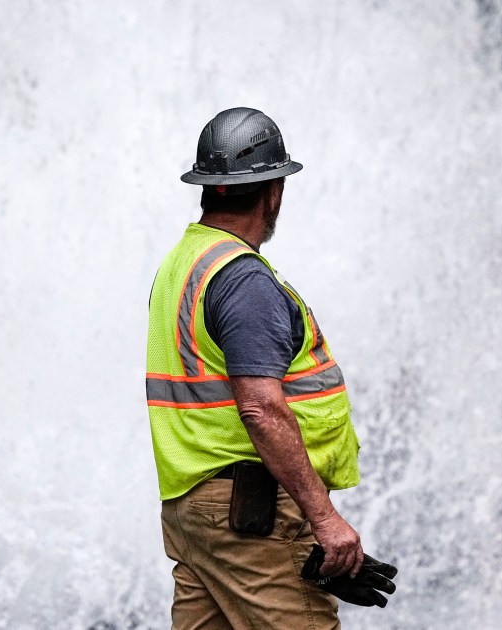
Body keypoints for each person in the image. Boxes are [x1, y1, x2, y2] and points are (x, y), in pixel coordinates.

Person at [145, 107, 366, 629]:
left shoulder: (183, 263)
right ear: (273, 192)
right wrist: (325, 519)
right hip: (249, 516)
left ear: (208, 188)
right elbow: (261, 408)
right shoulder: (243, 279)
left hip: (195, 511)